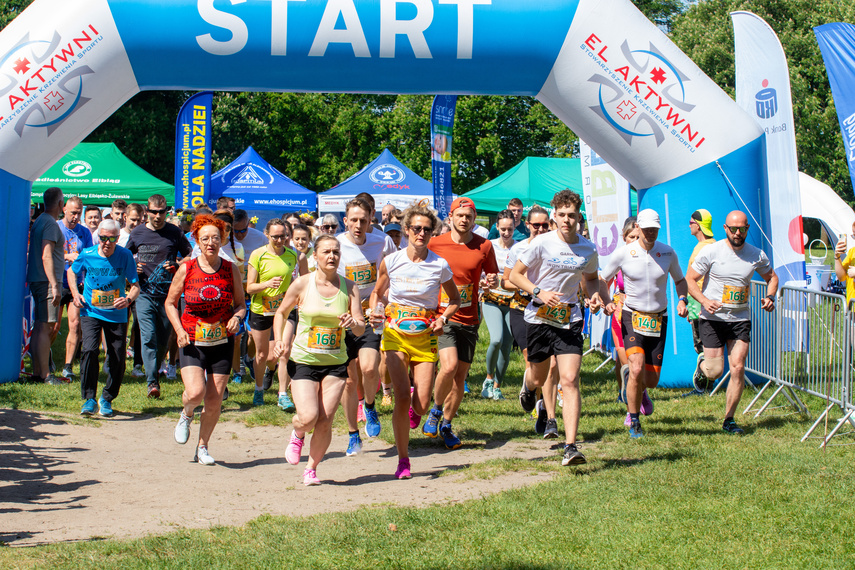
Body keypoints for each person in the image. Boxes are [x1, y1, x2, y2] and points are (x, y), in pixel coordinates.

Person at [510, 190, 606, 466]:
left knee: (569, 379)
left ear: (579, 217)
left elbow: (590, 279)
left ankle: (571, 446)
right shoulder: (542, 243)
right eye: (562, 215)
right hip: (539, 317)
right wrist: (539, 291)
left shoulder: (587, 248)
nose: (567, 220)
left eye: (572, 216)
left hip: (569, 319)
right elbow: (516, 276)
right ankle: (528, 387)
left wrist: (594, 295)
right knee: (540, 376)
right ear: (554, 215)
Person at [369, 204, 460, 479]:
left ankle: (415, 410)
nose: (421, 233)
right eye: (416, 228)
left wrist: (443, 318)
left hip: (425, 337)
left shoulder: (439, 264)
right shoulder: (392, 261)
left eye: (427, 229)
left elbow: (455, 299)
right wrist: (375, 311)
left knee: (420, 404)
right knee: (400, 395)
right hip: (395, 334)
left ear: (432, 232)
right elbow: (377, 292)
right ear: (406, 230)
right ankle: (404, 460)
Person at [274, 235, 365, 485]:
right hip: (304, 359)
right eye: (326, 252)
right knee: (309, 416)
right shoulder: (302, 284)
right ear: (315, 256)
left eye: (336, 252)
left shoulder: (350, 287)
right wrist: (280, 340)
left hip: (336, 362)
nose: (332, 256)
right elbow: (281, 313)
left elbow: (360, 327)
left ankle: (311, 469)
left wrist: (352, 322)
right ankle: (298, 431)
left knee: (325, 420)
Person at [686, 211, 778, 434]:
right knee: (715, 372)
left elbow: (772, 277)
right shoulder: (712, 251)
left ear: (747, 229)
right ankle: (702, 367)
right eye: (733, 229)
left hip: (739, 319)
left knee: (737, 367)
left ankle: (729, 419)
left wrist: (770, 296)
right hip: (713, 318)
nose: (738, 233)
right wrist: (704, 301)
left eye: (742, 229)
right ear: (725, 228)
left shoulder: (756, 254)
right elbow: (690, 279)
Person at [600, 209, 689, 439]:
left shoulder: (667, 253)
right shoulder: (624, 253)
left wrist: (682, 300)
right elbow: (603, 278)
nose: (650, 233)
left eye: (654, 230)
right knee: (636, 367)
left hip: (658, 318)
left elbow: (680, 280)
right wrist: (607, 301)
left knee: (651, 380)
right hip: (632, 315)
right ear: (637, 227)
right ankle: (634, 421)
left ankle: (640, 390)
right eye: (646, 229)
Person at [167, 215, 246, 465]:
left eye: (215, 238)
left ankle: (202, 447)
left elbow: (242, 305)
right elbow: (170, 303)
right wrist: (179, 330)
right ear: (197, 242)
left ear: (222, 240)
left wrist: (237, 318)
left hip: (222, 341)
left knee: (214, 399)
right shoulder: (187, 268)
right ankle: (187, 413)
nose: (211, 243)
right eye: (205, 239)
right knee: (195, 393)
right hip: (191, 339)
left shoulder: (229, 268)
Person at [422, 197, 499, 449]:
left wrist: (491, 283)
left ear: (474, 219)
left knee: (460, 377)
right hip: (443, 316)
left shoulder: (485, 246)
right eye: (460, 215)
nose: (464, 219)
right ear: (451, 217)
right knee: (449, 366)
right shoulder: (434, 244)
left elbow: (493, 276)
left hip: (470, 318)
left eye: (469, 216)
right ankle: (434, 411)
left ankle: (446, 424)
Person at [337, 198, 397, 453]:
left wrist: (385, 301)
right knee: (350, 381)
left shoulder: (382, 242)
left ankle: (370, 405)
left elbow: (395, 271)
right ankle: (353, 434)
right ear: (346, 221)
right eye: (354, 220)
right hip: (343, 317)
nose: (359, 225)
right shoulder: (335, 245)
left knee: (370, 368)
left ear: (371, 219)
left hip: (371, 314)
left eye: (363, 220)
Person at [69, 220, 140, 417]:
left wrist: (127, 299)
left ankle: (107, 398)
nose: (106, 242)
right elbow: (71, 271)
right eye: (103, 238)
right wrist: (76, 293)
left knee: (117, 356)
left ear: (118, 238)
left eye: (111, 238)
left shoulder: (125, 255)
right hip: (91, 311)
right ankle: (89, 398)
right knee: (90, 350)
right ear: (98, 237)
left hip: (116, 313)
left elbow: (136, 286)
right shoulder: (88, 254)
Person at [125, 194, 193, 398]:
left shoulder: (175, 232)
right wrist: (132, 267)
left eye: (161, 212)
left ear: (167, 212)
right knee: (148, 336)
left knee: (163, 339)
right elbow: (125, 256)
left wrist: (178, 264)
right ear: (147, 211)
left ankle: (156, 368)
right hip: (144, 292)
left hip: (168, 295)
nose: (157, 216)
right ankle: (152, 382)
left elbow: (190, 256)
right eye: (154, 212)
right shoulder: (137, 233)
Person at [503, 206, 555, 432]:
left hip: (548, 311)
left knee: (551, 364)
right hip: (521, 307)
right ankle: (530, 385)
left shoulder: (557, 248)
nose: (541, 229)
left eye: (545, 225)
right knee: (531, 358)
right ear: (527, 225)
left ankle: (545, 411)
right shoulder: (518, 249)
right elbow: (505, 281)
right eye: (536, 225)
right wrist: (530, 287)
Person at [246, 219, 300, 409]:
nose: (279, 240)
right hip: (262, 310)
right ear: (267, 234)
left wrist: (296, 296)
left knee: (284, 350)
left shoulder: (293, 255)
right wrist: (267, 284)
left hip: (285, 310)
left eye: (283, 236)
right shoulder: (258, 255)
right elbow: (250, 288)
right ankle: (259, 388)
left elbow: (297, 282)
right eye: (275, 236)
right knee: (263, 356)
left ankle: (282, 394)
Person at [26, 187, 66, 385]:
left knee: (41, 325)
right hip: (46, 281)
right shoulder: (50, 223)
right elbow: (46, 254)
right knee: (46, 326)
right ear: (60, 203)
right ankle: (44, 375)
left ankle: (37, 372)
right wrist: (54, 285)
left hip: (38, 279)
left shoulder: (41, 220)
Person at [480, 209, 517, 399]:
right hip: (491, 299)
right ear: (496, 227)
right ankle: (488, 378)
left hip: (512, 301)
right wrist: (482, 284)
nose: (506, 233)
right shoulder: (489, 246)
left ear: (515, 226)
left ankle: (497, 385)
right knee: (496, 339)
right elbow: (479, 271)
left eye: (509, 229)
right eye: (503, 229)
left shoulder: (520, 248)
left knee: (506, 345)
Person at [55, 196, 94, 380]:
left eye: (79, 213)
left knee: (75, 324)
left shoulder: (84, 233)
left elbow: (89, 256)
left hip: (77, 284)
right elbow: (47, 252)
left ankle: (68, 365)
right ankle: (46, 360)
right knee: (53, 327)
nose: (76, 217)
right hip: (57, 281)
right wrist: (66, 256)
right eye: (73, 213)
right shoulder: (56, 227)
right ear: (64, 209)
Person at [608, 217, 640, 403]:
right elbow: (603, 280)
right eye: (631, 237)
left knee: (636, 361)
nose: (635, 241)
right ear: (624, 237)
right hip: (621, 314)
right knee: (626, 361)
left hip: (644, 315)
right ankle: (625, 394)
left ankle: (631, 391)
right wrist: (605, 302)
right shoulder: (619, 257)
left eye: (638, 236)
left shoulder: (650, 257)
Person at [686, 209, 716, 390]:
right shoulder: (715, 244)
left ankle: (704, 386)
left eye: (691, 222)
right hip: (706, 299)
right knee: (707, 345)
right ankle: (708, 386)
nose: (689, 226)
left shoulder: (702, 248)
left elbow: (695, 278)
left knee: (702, 346)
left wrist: (693, 302)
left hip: (699, 300)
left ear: (698, 225)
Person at [834, 220, 855, 309]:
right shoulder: (852, 251)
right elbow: (841, 277)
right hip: (852, 305)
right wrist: (837, 256)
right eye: (854, 235)